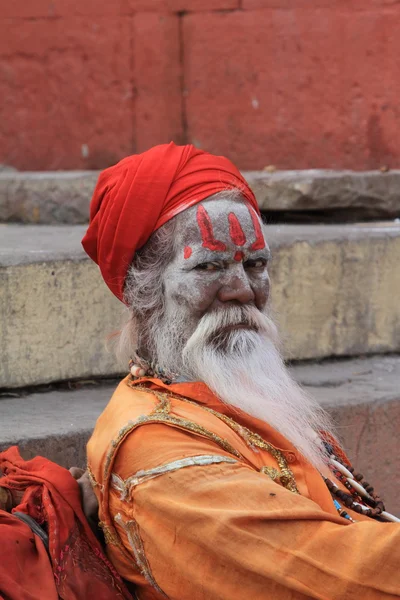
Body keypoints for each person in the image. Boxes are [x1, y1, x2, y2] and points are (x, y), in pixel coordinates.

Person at [82, 142, 400, 599]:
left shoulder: (237, 398)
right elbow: (332, 577)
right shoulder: (154, 453)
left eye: (256, 264)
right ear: (143, 291)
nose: (241, 290)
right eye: (208, 266)